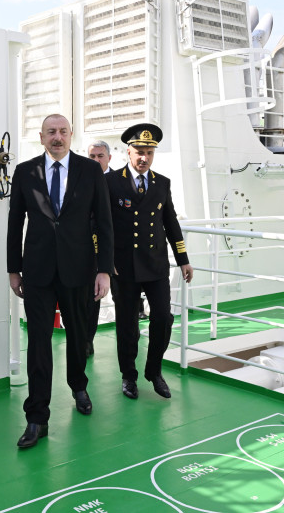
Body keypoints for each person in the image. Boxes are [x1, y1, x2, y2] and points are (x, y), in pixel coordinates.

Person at [7, 114, 113, 449]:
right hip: (37, 271)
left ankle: (78, 385)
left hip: (79, 270)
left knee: (79, 335)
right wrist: (13, 268)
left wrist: (104, 270)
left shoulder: (90, 170)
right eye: (51, 132)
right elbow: (15, 222)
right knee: (38, 344)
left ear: (71, 135)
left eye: (63, 131)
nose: (57, 137)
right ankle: (37, 417)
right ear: (41, 137)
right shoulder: (25, 172)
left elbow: (104, 222)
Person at [107, 123, 193, 401]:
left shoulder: (162, 183)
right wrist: (104, 261)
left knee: (163, 318)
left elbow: (171, 223)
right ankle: (129, 376)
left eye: (149, 153)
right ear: (128, 152)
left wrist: (183, 259)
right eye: (139, 152)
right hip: (123, 266)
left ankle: (153, 371)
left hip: (155, 264)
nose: (144, 158)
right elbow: (100, 225)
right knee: (127, 324)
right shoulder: (111, 182)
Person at [85, 140, 112, 356]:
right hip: (88, 250)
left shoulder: (118, 182)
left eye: (100, 156)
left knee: (127, 302)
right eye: (92, 156)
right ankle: (87, 341)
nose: (96, 160)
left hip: (115, 252)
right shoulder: (80, 180)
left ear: (109, 158)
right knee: (91, 298)